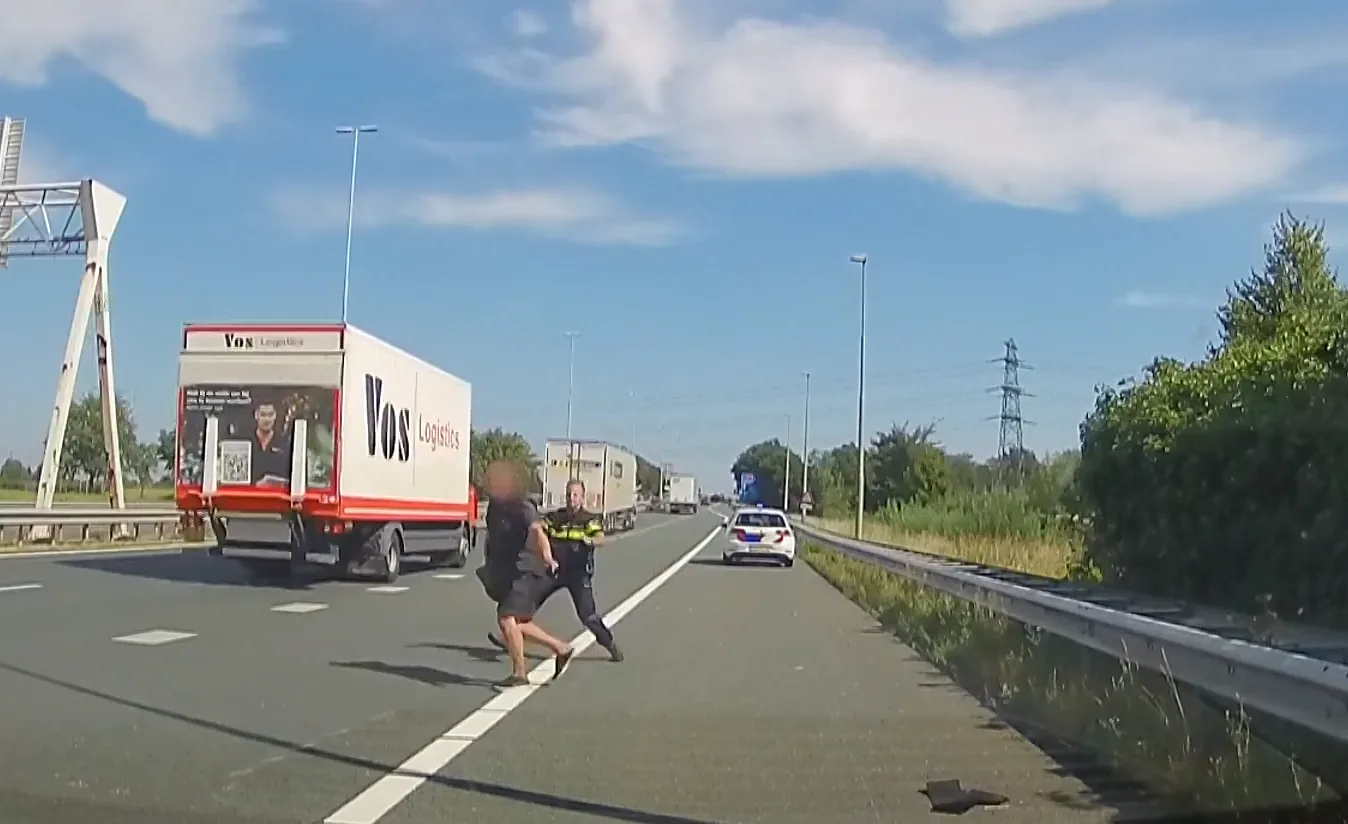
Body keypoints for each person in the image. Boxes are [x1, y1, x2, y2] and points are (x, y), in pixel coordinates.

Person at [488, 478, 624, 662]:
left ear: (582, 497)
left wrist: (590, 540)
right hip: (555, 570)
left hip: (577, 574)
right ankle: (509, 635)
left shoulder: (588, 519)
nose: (571, 498)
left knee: (588, 615)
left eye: (575, 495)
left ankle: (609, 643)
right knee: (524, 603)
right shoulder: (555, 518)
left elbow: (601, 538)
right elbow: (538, 530)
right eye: (569, 494)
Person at [479, 459, 575, 687]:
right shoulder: (494, 506)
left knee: (506, 618)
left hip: (526, 569)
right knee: (517, 623)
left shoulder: (522, 505)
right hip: (508, 571)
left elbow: (537, 531)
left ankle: (519, 673)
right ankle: (561, 648)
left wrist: (548, 557)